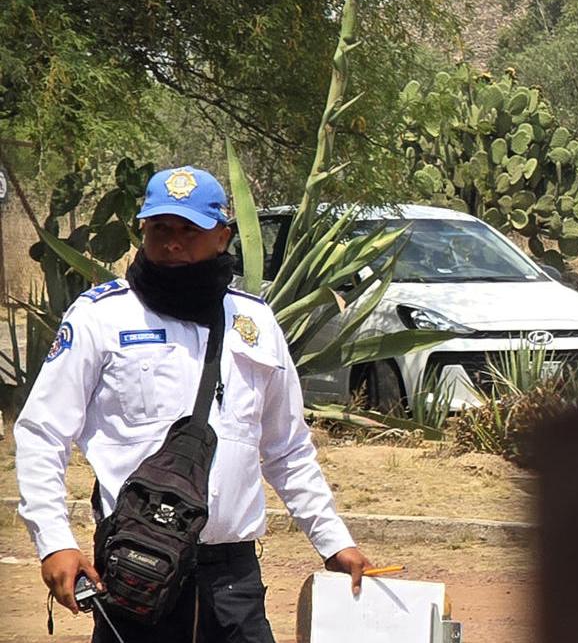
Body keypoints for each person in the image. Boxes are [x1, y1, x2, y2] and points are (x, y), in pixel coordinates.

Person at [15, 166, 373, 642]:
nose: (172, 243)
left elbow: (286, 448)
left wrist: (333, 541)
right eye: (160, 228)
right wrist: (54, 542)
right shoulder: (101, 318)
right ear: (143, 232)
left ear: (222, 237)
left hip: (233, 582)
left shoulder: (256, 323)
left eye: (189, 230)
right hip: (137, 572)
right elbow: (42, 433)